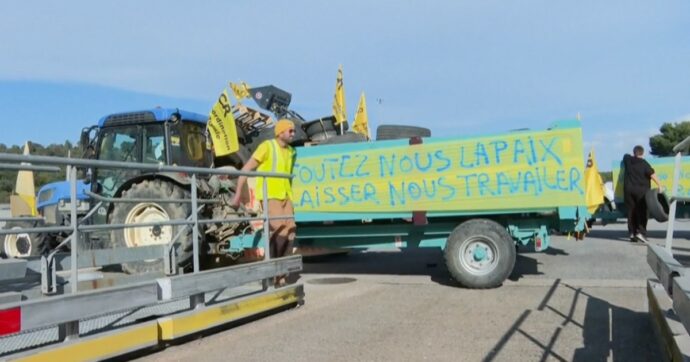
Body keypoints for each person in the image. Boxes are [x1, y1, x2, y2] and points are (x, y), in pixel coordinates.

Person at [231, 119, 297, 286]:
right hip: (270, 195)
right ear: (280, 132)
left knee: (290, 232)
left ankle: (280, 273)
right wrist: (238, 193)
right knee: (280, 229)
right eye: (290, 131)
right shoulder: (267, 147)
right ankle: (271, 270)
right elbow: (246, 169)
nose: (293, 134)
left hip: (286, 196)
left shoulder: (291, 152)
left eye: (293, 131)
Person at [622, 145, 661, 243]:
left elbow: (625, 155)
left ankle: (632, 233)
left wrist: (632, 155)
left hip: (628, 191)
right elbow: (652, 174)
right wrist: (660, 185)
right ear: (643, 153)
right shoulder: (644, 164)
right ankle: (641, 233)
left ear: (634, 152)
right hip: (641, 191)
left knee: (631, 212)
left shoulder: (628, 160)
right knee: (643, 212)